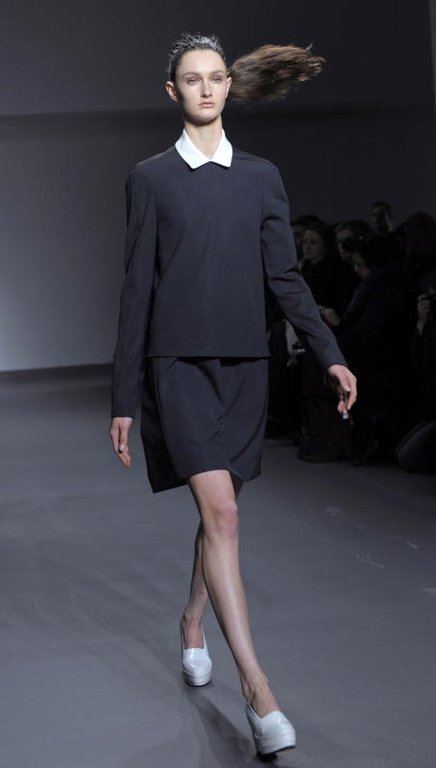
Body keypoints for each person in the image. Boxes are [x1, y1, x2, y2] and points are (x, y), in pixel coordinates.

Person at [109, 33, 357, 757]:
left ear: (229, 86)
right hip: (178, 368)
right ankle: (257, 689)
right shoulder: (150, 179)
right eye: (192, 79)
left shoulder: (260, 178)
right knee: (221, 512)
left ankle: (193, 620)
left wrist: (329, 354)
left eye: (216, 77)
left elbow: (286, 278)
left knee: (220, 515)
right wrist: (123, 395)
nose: (206, 89)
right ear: (173, 91)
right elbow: (136, 289)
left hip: (247, 367)